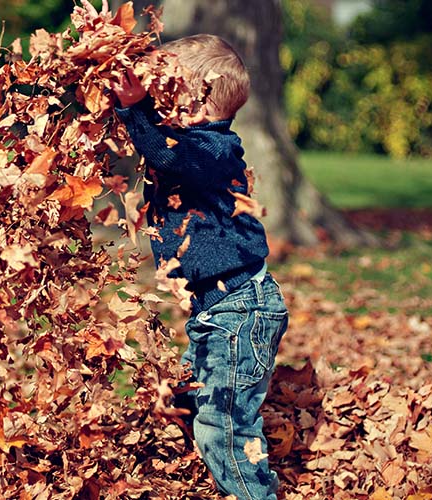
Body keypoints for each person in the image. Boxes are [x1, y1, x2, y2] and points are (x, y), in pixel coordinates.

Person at [110, 34, 290, 500]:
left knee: (224, 426)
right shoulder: (193, 147)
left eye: (162, 91)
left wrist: (134, 111)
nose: (154, 101)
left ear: (194, 101)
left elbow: (167, 153)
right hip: (218, 311)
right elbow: (163, 151)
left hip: (239, 310)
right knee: (190, 398)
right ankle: (203, 477)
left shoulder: (212, 150)